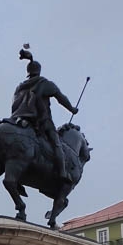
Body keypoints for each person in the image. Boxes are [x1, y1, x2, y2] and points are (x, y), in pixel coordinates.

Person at [10, 48, 78, 179]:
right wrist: (72, 109)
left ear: (28, 72)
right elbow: (61, 98)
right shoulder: (44, 83)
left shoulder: (20, 86)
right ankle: (63, 173)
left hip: (19, 121)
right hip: (41, 122)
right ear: (39, 71)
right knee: (57, 144)